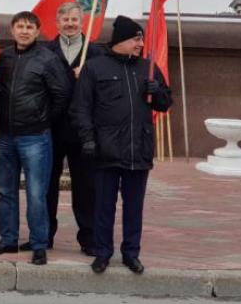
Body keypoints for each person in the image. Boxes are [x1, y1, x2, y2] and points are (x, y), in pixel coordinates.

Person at [70, 15, 171, 275]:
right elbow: (81, 108)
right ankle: (102, 253)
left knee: (134, 206)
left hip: (139, 148)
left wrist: (157, 89)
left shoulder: (148, 67)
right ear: (121, 40)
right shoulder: (95, 67)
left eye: (141, 39)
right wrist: (88, 139)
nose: (140, 44)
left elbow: (165, 103)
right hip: (105, 149)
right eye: (136, 39)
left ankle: (131, 253)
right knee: (103, 206)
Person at [0, 11, 71, 265]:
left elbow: (61, 95)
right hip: (6, 136)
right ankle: (8, 240)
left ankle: (39, 244)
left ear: (37, 32)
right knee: (6, 191)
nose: (24, 31)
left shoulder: (48, 59)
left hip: (36, 138)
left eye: (30, 27)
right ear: (12, 30)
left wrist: (43, 120)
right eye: (20, 26)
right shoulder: (3, 57)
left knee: (37, 193)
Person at [36, 2, 102, 256]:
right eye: (66, 20)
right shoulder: (45, 51)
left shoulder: (95, 54)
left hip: (83, 132)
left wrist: (86, 78)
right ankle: (44, 235)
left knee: (86, 186)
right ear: (57, 22)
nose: (70, 24)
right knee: (46, 185)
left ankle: (89, 237)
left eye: (75, 19)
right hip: (51, 129)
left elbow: (103, 91)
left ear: (82, 21)